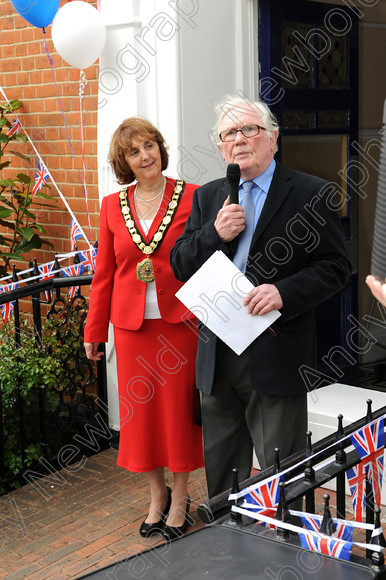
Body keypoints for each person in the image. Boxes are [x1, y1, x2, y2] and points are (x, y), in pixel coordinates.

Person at [170, 96, 351, 498]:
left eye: (249, 129)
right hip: (217, 355)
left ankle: (283, 544)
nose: (239, 139)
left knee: (281, 473)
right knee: (223, 478)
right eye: (229, 133)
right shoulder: (208, 197)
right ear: (220, 147)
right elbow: (180, 264)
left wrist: (283, 292)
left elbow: (335, 268)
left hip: (275, 350)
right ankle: (229, 549)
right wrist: (214, 235)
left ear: (272, 138)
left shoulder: (310, 193)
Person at [84, 117, 204, 540]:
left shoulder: (194, 197)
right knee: (142, 417)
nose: (145, 155)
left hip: (180, 324)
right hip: (132, 329)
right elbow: (104, 272)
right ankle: (157, 496)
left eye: (149, 145)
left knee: (177, 415)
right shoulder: (110, 206)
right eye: (134, 151)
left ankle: (183, 495)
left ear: (160, 148)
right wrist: (94, 330)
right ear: (124, 162)